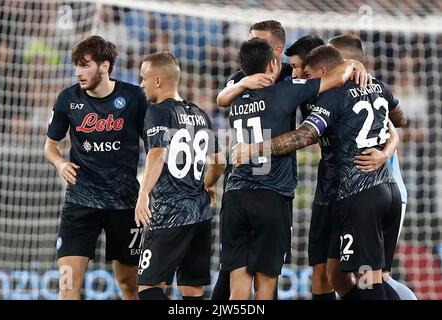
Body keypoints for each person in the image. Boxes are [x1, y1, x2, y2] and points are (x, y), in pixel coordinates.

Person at [233, 45, 402, 299]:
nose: (303, 79)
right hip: (378, 191)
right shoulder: (376, 85)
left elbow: (306, 135)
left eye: (307, 73)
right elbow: (397, 118)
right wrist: (384, 149)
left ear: (324, 70)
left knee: (369, 279)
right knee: (337, 276)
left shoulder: (332, 95)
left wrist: (256, 149)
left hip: (360, 194)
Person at [44, 35, 149, 300]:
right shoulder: (67, 99)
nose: (78, 72)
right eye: (77, 65)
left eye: (85, 65)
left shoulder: (134, 96)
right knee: (68, 286)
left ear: (104, 66)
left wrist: (148, 189)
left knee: (129, 285)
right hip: (80, 202)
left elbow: (155, 148)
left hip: (125, 203)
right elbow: (50, 146)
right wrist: (60, 163)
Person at [328, 34, 417, 300]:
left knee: (373, 276)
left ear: (345, 61)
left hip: (376, 191)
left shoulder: (368, 90)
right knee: (339, 275)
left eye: (334, 59)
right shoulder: (366, 90)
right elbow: (397, 125)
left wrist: (385, 154)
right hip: (364, 192)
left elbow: (397, 127)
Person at [135, 52, 225, 300]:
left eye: (143, 78)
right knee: (192, 291)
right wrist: (208, 185)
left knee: (148, 289)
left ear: (157, 81)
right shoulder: (200, 113)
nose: (141, 84)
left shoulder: (158, 112)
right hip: (201, 215)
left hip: (169, 213)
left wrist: (143, 194)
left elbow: (157, 153)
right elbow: (219, 162)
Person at [212, 19, 291, 300]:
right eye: (250, 41)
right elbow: (221, 99)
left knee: (238, 284)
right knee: (248, 284)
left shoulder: (291, 77)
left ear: (278, 49)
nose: (252, 48)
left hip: (270, 187)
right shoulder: (240, 77)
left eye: (259, 41)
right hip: (241, 188)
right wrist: (244, 82)